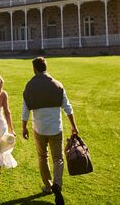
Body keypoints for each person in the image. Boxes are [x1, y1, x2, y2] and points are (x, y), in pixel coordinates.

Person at [22, 57, 79, 205]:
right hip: (55, 129)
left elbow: (25, 110)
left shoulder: (29, 86)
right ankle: (57, 184)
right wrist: (74, 126)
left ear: (35, 69)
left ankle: (48, 186)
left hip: (39, 129)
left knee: (43, 157)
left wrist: (23, 127)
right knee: (58, 158)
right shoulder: (58, 85)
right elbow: (68, 108)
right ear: (45, 67)